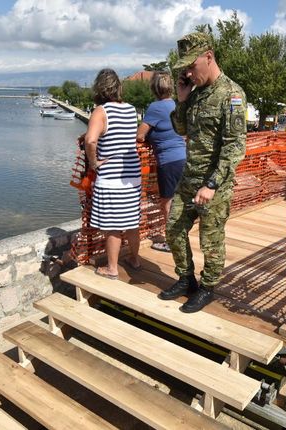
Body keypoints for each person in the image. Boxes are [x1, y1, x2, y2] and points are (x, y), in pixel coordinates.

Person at [159, 31, 247, 313]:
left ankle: (207, 287)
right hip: (188, 179)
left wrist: (211, 184)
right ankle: (186, 279)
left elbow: (234, 147)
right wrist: (182, 99)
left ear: (208, 57)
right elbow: (181, 129)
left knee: (210, 240)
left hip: (214, 185)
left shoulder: (231, 95)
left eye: (191, 65)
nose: (187, 72)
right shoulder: (194, 94)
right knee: (173, 229)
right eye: (183, 68)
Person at [82, 69, 142, 279]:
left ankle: (112, 268)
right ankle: (135, 259)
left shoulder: (101, 111)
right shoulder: (131, 109)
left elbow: (90, 140)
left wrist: (93, 162)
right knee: (132, 222)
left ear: (99, 87)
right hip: (133, 174)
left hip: (112, 177)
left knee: (113, 226)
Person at [136, 72, 187, 252]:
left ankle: (171, 242)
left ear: (154, 88)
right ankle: (180, 236)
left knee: (166, 203)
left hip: (168, 161)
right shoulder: (177, 104)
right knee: (179, 201)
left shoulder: (155, 107)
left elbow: (140, 135)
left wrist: (149, 137)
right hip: (183, 157)